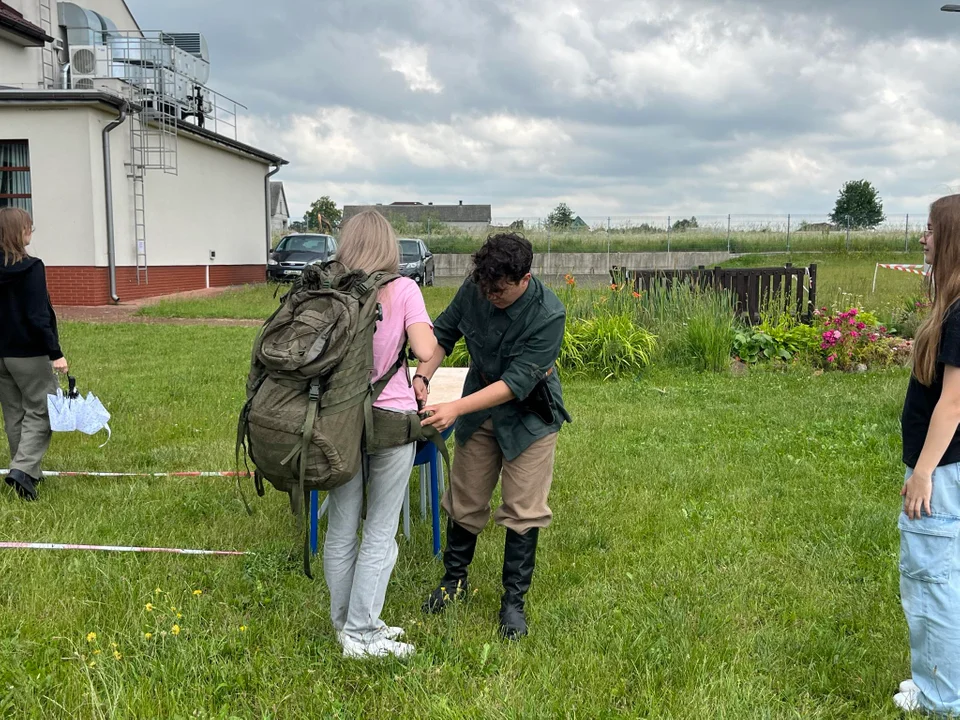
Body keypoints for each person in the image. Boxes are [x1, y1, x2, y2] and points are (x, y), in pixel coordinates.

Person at [416, 232, 570, 639]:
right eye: (486, 288)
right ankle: (454, 583)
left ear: (524, 278)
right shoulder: (476, 289)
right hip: (478, 404)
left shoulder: (549, 314)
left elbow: (515, 383)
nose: (492, 297)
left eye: (499, 291)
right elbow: (444, 333)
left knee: (523, 508)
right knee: (465, 497)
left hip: (529, 414)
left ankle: (513, 603)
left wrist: (453, 408)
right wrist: (423, 375)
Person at [322, 209, 438, 659]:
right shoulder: (403, 289)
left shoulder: (330, 291)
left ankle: (345, 624)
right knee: (380, 530)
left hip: (337, 422)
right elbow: (427, 349)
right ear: (389, 246)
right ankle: (362, 633)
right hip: (390, 420)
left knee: (342, 527)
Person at [896, 195, 960, 714]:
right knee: (947, 577)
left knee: (930, 580)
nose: (923, 238)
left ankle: (940, 695)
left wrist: (923, 473)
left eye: (931, 231)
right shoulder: (954, 305)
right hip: (951, 469)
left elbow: (954, 404)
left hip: (942, 471)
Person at [0, 208, 67, 502]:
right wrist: (56, 353)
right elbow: (38, 314)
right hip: (29, 353)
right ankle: (23, 470)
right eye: (28, 227)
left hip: (1, 355)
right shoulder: (32, 267)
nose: (32, 232)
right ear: (18, 232)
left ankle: (26, 473)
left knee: (14, 413)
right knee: (42, 410)